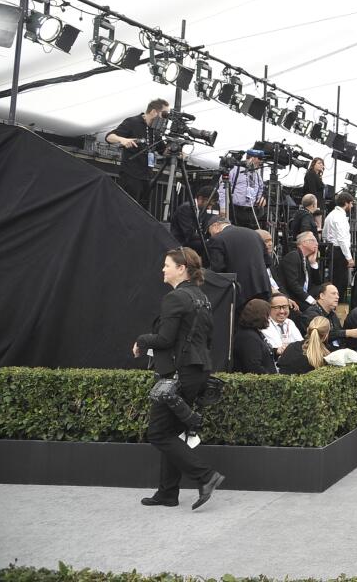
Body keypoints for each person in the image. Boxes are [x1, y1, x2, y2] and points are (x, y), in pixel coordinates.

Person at [133, 247, 224, 509]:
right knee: (171, 431)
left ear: (181, 268)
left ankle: (206, 476)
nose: (163, 269)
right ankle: (167, 493)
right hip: (196, 371)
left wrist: (141, 341)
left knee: (159, 433)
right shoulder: (202, 298)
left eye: (167, 265)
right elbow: (206, 339)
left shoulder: (175, 298)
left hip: (178, 373)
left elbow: (164, 339)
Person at [106, 98, 169, 209]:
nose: (166, 117)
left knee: (143, 211)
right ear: (154, 112)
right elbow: (109, 137)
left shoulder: (156, 130)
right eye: (164, 114)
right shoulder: (133, 122)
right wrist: (123, 140)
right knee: (129, 209)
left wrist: (177, 149)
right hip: (131, 175)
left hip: (148, 177)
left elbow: (162, 150)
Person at [206, 217, 272, 313]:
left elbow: (218, 268)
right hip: (263, 287)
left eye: (209, 231)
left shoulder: (217, 239)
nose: (210, 235)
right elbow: (268, 262)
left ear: (215, 226)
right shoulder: (254, 234)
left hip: (240, 293)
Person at [302, 282, 357, 347]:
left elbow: (339, 333)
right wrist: (347, 333)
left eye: (338, 294)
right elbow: (321, 335)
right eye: (333, 294)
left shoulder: (332, 313)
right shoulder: (311, 314)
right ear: (322, 296)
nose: (337, 297)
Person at [219, 150, 266, 229]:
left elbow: (261, 188)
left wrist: (262, 197)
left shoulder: (257, 174)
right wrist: (223, 208)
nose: (261, 161)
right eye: (260, 158)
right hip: (236, 210)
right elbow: (223, 189)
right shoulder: (235, 169)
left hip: (251, 212)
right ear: (252, 158)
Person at [274, 231, 321, 310]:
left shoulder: (305, 259)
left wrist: (313, 263)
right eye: (313, 240)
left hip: (302, 297)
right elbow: (293, 284)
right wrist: (310, 299)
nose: (316, 244)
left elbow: (317, 283)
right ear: (304, 243)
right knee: (315, 310)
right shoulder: (293, 256)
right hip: (292, 298)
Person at [170, 184, 216, 261]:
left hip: (192, 239)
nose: (209, 208)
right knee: (210, 245)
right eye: (209, 204)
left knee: (214, 243)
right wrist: (207, 239)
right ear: (201, 198)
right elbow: (188, 233)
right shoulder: (186, 208)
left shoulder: (201, 209)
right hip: (181, 241)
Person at [232, 299, 277, 374]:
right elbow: (253, 366)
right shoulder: (248, 337)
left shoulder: (252, 333)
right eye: (267, 314)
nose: (269, 318)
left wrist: (276, 351)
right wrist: (271, 378)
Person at [323, 192, 355, 297]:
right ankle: (337, 305)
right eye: (351, 203)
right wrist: (349, 258)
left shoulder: (330, 215)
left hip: (332, 250)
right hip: (339, 252)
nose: (352, 206)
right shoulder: (340, 217)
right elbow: (342, 239)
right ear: (346, 203)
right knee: (340, 282)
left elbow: (324, 234)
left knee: (334, 280)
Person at [262, 291, 303, 355]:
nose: (282, 311)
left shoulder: (290, 322)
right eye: (277, 307)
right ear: (269, 308)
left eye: (285, 307)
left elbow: (300, 344)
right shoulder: (264, 325)